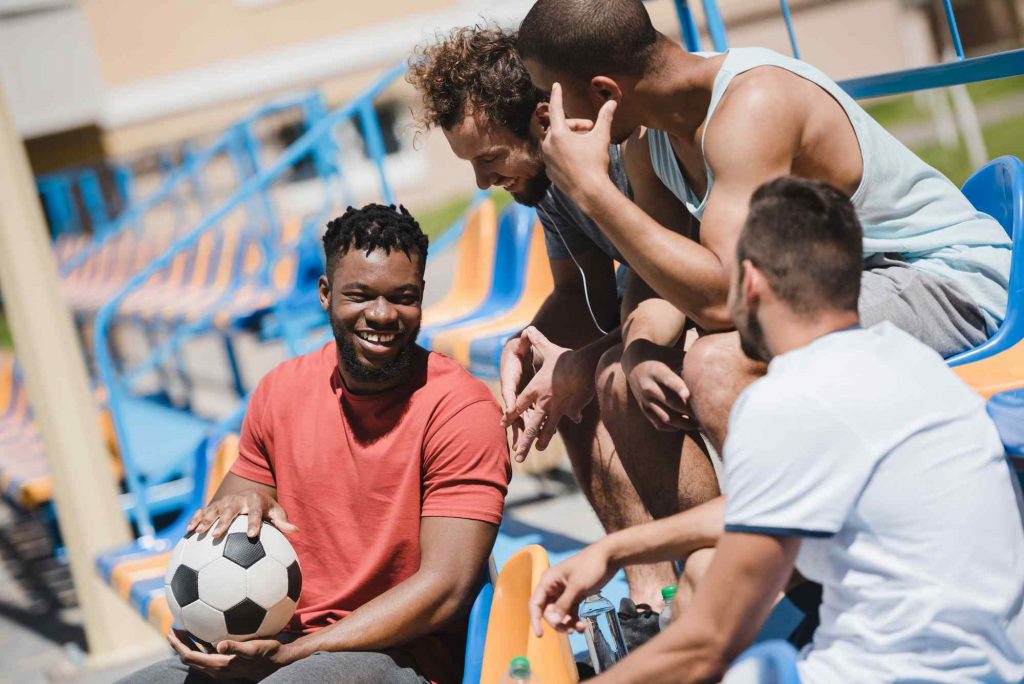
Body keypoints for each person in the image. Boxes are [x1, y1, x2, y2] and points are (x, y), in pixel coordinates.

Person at [529, 177, 1024, 683]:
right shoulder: (915, 364)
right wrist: (614, 549)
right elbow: (756, 508)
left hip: (887, 672)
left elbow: (706, 645)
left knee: (714, 627)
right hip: (995, 666)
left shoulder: (785, 401)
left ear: (748, 282)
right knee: (702, 575)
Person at [515, 0, 1011, 456]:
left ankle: (787, 542)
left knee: (717, 364)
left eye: (551, 96)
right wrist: (640, 349)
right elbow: (655, 278)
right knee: (621, 381)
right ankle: (710, 552)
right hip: (833, 289)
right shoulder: (650, 139)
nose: (548, 118)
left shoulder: (752, 105)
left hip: (944, 282)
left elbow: (723, 301)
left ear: (605, 92)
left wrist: (594, 193)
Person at [118, 204, 511, 684]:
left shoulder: (460, 410)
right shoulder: (282, 390)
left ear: (421, 296)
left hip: (403, 653)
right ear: (325, 295)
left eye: (402, 297)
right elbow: (214, 537)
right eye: (360, 295)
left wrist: (299, 652)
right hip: (286, 643)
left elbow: (445, 588)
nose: (383, 315)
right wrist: (240, 504)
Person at [407, 26, 720, 614]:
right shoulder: (547, 189)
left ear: (539, 118)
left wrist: (581, 360)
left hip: (701, 302)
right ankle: (648, 598)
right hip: (658, 309)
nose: (483, 183)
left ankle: (720, 573)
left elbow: (674, 285)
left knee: (603, 377)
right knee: (559, 384)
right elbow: (586, 292)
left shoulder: (630, 148)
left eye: (490, 158)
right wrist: (530, 344)